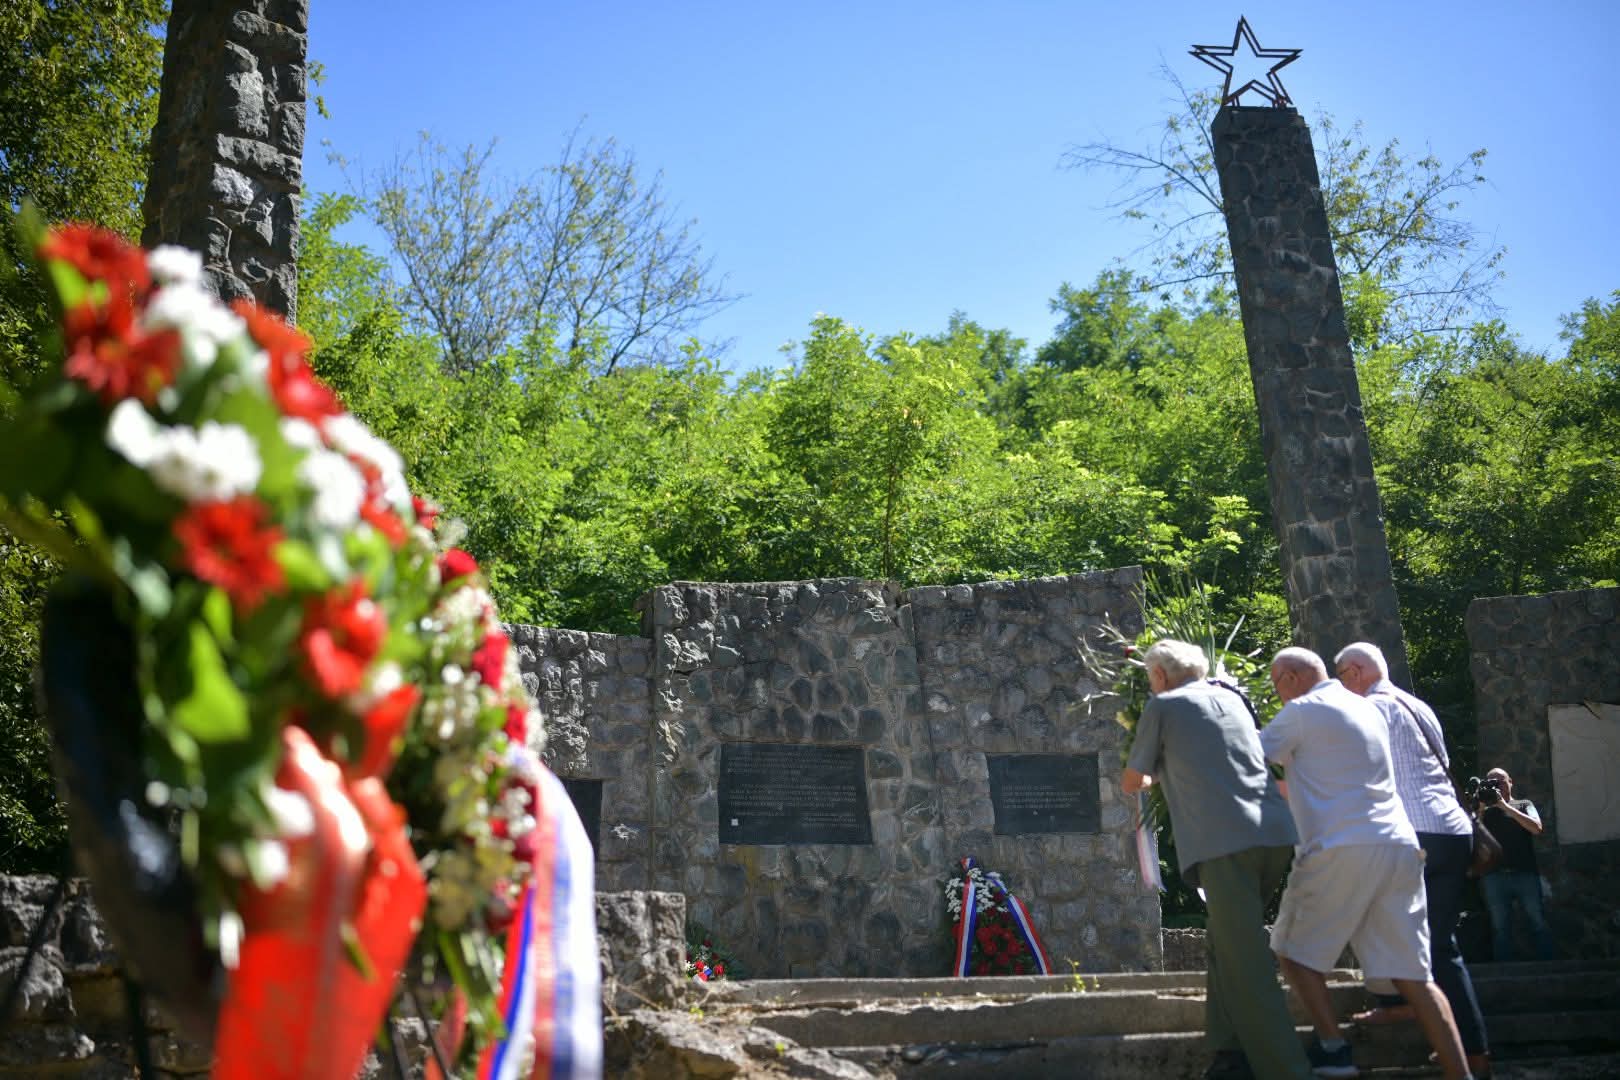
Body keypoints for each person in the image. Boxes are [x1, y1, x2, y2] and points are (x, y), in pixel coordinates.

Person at [1260, 647, 1474, 1080]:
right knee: (1416, 976)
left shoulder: (1300, 711)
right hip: (1398, 845)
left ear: (1291, 678)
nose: (1276, 693)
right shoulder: (1369, 710)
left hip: (1339, 845)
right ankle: (1462, 1074)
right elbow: (1333, 773)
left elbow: (1248, 759)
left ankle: (1335, 1052)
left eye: (1275, 684)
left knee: (1291, 952)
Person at [1123, 639, 1310, 1080]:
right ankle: (1228, 1052)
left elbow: (1135, 778)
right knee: (1224, 944)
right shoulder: (1232, 698)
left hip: (1225, 846)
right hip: (1275, 836)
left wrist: (1149, 779)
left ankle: (1289, 1069)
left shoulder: (1162, 706)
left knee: (1247, 964)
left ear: (1160, 676)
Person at [1334, 642, 1490, 1078]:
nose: (1343, 685)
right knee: (1439, 943)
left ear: (1359, 671)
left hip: (1411, 832)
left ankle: (1408, 1009)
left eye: (1343, 675)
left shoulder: (1371, 709)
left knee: (1389, 923)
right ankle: (1467, 1049)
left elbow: (1359, 774)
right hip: (1452, 832)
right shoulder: (1419, 707)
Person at [1476, 767, 1555, 962]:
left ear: (1511, 782)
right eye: (1492, 782)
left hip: (1525, 874)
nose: (1498, 786)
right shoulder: (1483, 811)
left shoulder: (1523, 804)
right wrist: (1479, 808)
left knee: (1537, 922)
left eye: (1501, 781)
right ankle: (1503, 973)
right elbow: (1472, 835)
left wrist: (1505, 806)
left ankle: (1548, 967)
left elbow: (1536, 828)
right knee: (1500, 928)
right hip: (1494, 876)